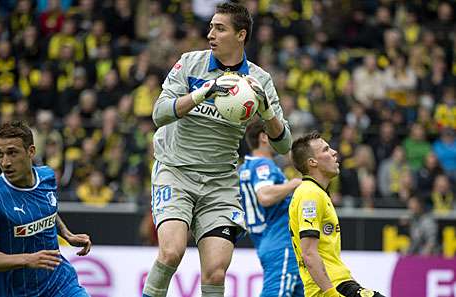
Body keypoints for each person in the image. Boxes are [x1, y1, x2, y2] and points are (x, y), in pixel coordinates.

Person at [143, 1, 293, 297]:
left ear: (241, 35)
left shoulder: (259, 80)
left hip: (220, 183)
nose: (210, 33)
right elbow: (159, 114)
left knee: (215, 271)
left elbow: (284, 144)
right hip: (176, 172)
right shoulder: (190, 63)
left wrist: (266, 112)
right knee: (171, 252)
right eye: (211, 26)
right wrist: (202, 93)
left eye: (220, 28)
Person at [0, 121, 92, 297]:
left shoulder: (47, 176)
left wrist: (67, 234)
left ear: (31, 151)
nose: (5, 162)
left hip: (61, 284)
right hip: (20, 292)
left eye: (12, 153)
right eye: (0, 154)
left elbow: (48, 207)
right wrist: (27, 259)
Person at [288, 132, 384, 297]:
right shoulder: (310, 194)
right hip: (331, 288)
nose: (334, 152)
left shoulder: (317, 192)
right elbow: (309, 253)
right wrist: (331, 293)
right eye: (326, 150)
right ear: (312, 162)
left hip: (339, 283)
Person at [239, 120, 303, 297]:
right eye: (277, 135)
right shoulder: (262, 165)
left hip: (270, 241)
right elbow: (265, 195)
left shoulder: (245, 167)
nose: (282, 141)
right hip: (280, 242)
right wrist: (294, 184)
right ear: (264, 137)